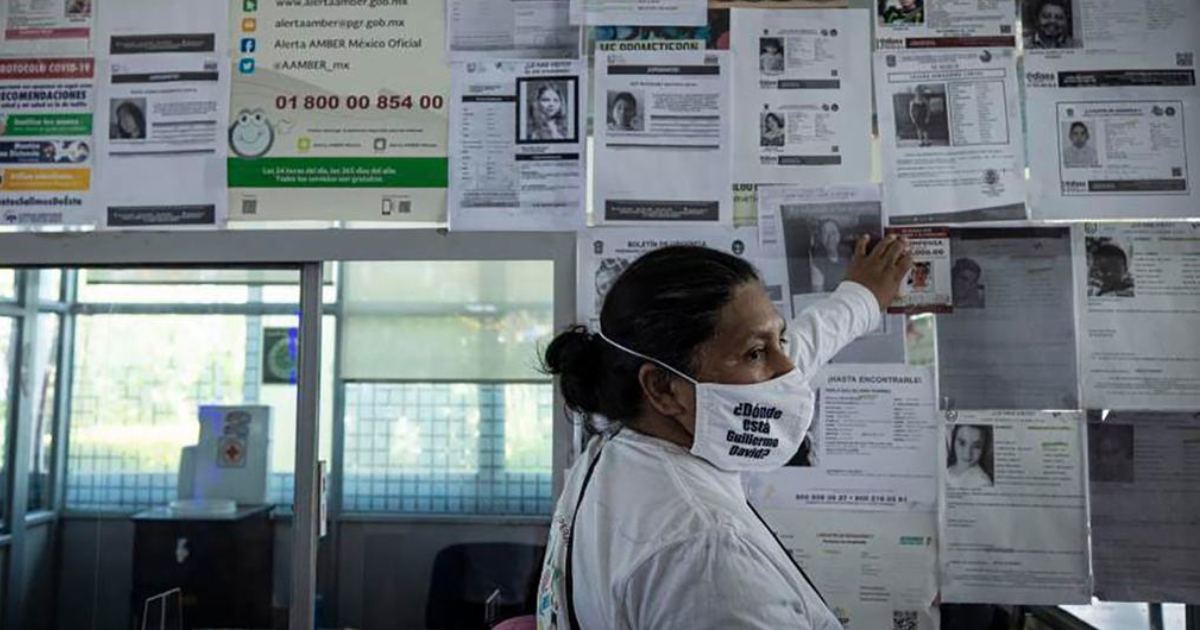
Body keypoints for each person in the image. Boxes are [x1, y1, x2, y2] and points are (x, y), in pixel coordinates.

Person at [536, 235, 912, 629]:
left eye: (780, 340)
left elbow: (788, 353)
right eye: (756, 353)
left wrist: (860, 299)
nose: (789, 372)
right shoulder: (709, 557)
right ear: (663, 388)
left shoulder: (613, 453)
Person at [809, 219, 847, 293]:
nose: (830, 237)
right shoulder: (817, 263)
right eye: (826, 233)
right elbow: (818, 293)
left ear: (839, 235)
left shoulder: (847, 256)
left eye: (833, 233)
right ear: (820, 237)